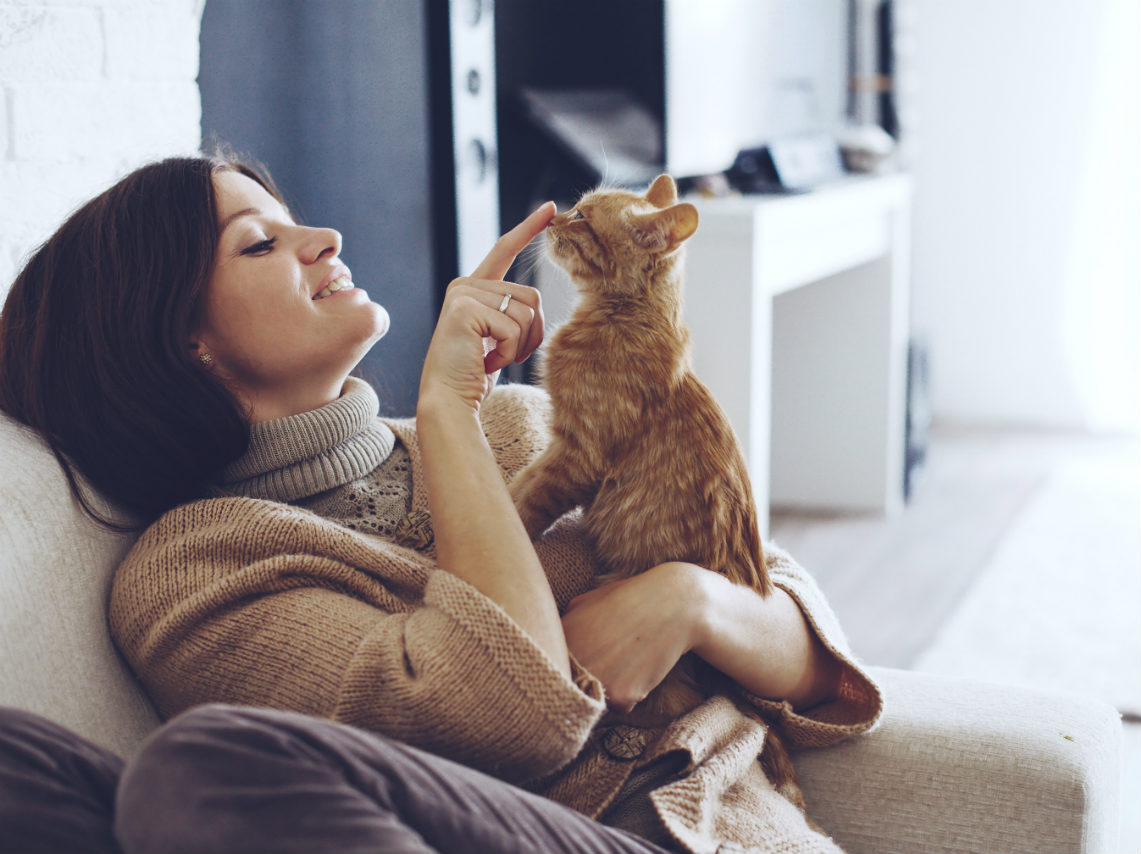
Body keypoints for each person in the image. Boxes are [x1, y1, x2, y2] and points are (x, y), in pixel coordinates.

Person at [0, 153, 882, 853]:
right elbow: (516, 710)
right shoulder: (196, 571)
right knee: (146, 769)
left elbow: (815, 665)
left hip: (706, 834)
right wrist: (445, 412)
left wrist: (689, 600)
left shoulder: (521, 424)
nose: (324, 235)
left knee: (193, 771)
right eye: (258, 244)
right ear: (181, 338)